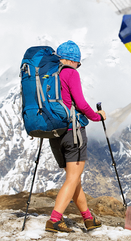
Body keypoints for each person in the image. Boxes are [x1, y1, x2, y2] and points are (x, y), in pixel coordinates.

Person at [45, 40, 106, 233]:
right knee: (72, 178)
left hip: (55, 134)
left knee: (74, 178)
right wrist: (97, 117)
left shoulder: (49, 75)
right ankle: (54, 219)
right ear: (74, 61)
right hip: (73, 133)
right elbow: (80, 103)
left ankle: (88, 218)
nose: (78, 66)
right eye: (78, 63)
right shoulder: (70, 73)